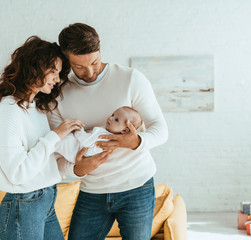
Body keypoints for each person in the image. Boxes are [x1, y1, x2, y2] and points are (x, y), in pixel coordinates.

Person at [47, 23, 168, 240]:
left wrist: (135, 141)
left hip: (137, 186)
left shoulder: (131, 79)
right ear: (66, 61)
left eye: (94, 62)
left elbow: (160, 129)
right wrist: (78, 169)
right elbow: (55, 155)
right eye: (79, 66)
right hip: (92, 191)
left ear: (100, 50)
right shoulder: (58, 95)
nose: (90, 72)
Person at [0, 36, 110, 239]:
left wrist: (78, 165)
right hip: (23, 206)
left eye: (59, 73)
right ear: (33, 67)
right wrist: (54, 135)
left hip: (44, 200)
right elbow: (17, 173)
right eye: (53, 71)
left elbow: (45, 161)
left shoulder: (35, 107)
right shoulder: (8, 111)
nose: (57, 78)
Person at [55, 106, 143, 161]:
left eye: (116, 120)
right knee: (60, 141)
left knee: (62, 140)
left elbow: (86, 142)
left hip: (76, 152)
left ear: (124, 130)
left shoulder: (106, 137)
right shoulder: (107, 133)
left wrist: (78, 130)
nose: (111, 118)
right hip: (76, 150)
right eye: (113, 115)